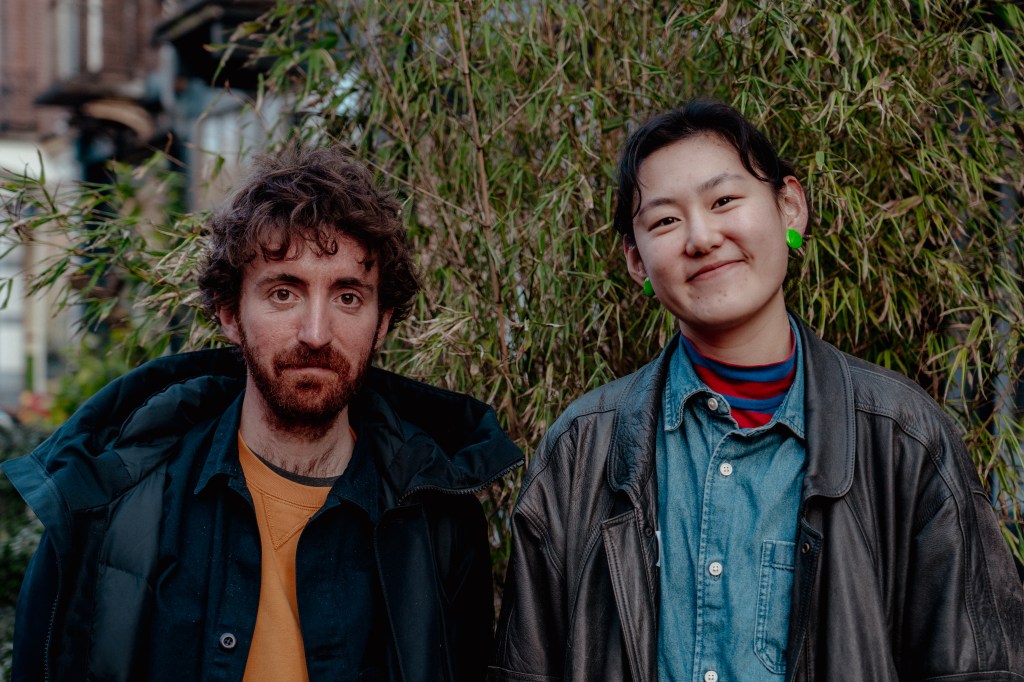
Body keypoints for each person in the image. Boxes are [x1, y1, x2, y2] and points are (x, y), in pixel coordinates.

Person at [491, 100, 1024, 681]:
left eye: (723, 201)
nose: (701, 238)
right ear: (636, 261)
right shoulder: (581, 452)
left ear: (789, 206)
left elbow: (977, 666)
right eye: (665, 221)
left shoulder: (902, 438)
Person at [4, 145, 523, 681]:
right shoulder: (106, 498)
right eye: (284, 293)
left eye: (347, 297)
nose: (316, 333)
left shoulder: (437, 517)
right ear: (230, 313)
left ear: (382, 322)